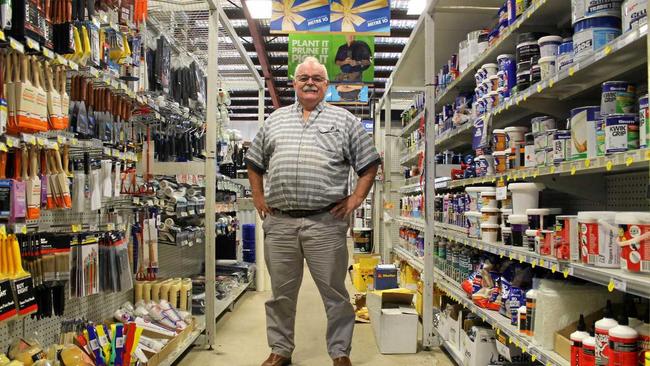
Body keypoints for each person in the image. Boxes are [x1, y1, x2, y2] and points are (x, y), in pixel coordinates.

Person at [245, 56, 380, 366]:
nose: (309, 82)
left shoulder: (344, 120)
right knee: (281, 294)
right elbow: (254, 162)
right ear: (294, 83)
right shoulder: (276, 119)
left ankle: (340, 352)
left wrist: (356, 197)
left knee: (335, 294)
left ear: (326, 85)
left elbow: (369, 163)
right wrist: (258, 196)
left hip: (325, 223)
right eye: (303, 77)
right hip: (279, 223)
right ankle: (280, 350)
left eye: (316, 78)